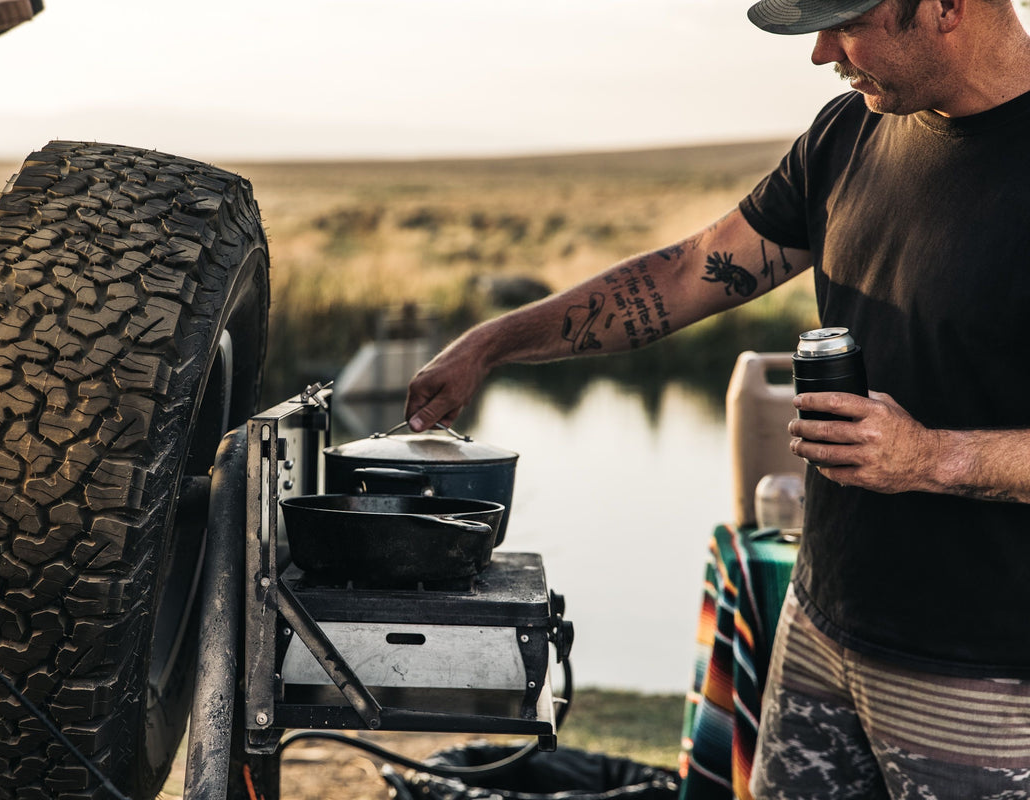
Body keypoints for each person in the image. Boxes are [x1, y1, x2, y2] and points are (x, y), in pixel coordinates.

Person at [405, 0, 1030, 796]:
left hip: (988, 681)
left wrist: (936, 456)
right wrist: (491, 344)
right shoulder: (848, 134)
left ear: (947, 6)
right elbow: (687, 270)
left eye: (847, 23)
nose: (822, 54)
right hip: (821, 629)